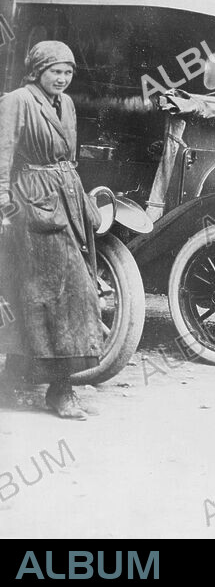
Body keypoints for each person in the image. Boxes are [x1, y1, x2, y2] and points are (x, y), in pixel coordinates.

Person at [0, 41, 104, 420]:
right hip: (33, 205)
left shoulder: (68, 105)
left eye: (68, 72)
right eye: (55, 71)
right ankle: (60, 391)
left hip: (67, 199)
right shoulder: (17, 100)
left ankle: (28, 382)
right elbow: (2, 152)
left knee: (63, 293)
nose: (62, 78)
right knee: (49, 294)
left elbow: (67, 158)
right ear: (37, 70)